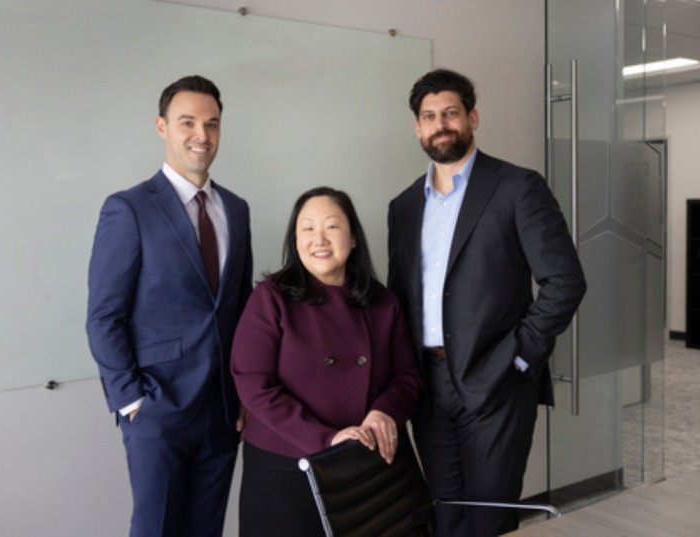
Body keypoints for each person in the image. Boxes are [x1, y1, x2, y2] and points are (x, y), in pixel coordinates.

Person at [387, 68, 587, 536]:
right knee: (443, 514)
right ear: (417, 127)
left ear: (472, 117)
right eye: (429, 116)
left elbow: (565, 281)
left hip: (498, 380)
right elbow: (400, 297)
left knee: (489, 520)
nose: (441, 125)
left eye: (451, 113)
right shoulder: (403, 207)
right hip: (428, 385)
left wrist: (521, 357)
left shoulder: (517, 187)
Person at [86, 75, 253, 537]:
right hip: (157, 411)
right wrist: (132, 400)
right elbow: (104, 316)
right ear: (162, 126)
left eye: (212, 123)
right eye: (188, 122)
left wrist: (242, 393)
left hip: (222, 412)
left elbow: (240, 309)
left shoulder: (236, 209)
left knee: (207, 529)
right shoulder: (129, 209)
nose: (202, 135)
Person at [231, 187, 423, 537]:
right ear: (295, 239)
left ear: (352, 239)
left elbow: (407, 376)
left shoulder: (382, 301)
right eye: (307, 228)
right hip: (286, 468)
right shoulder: (270, 298)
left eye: (332, 226)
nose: (319, 238)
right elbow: (253, 385)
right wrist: (325, 439)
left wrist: (385, 413)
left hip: (368, 464)